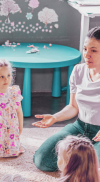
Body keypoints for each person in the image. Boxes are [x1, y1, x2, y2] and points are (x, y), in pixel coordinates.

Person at [33, 26, 100, 171]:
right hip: (80, 126)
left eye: (94, 50)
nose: (87, 55)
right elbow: (73, 107)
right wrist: (55, 117)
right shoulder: (78, 71)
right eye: (85, 49)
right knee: (42, 160)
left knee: (93, 170)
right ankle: (81, 159)